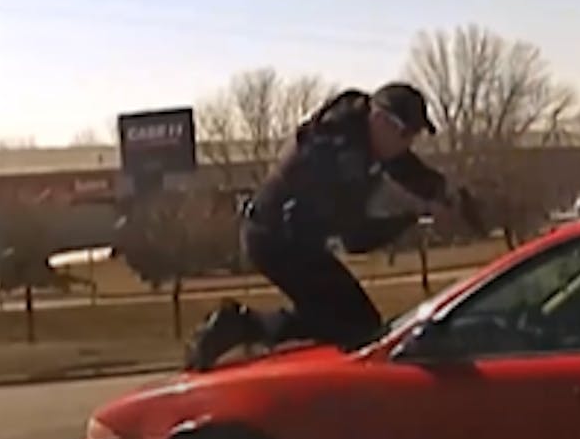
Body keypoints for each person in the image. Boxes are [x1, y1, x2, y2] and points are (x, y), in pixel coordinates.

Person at [186, 82, 477, 370]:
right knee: (357, 325)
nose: (408, 143)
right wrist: (416, 214)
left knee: (356, 324)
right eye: (405, 134)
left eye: (413, 136)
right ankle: (242, 325)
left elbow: (406, 168)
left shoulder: (361, 136)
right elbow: (356, 238)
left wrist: (447, 193)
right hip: (274, 240)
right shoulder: (339, 158)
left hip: (293, 238)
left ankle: (247, 327)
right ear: (379, 120)